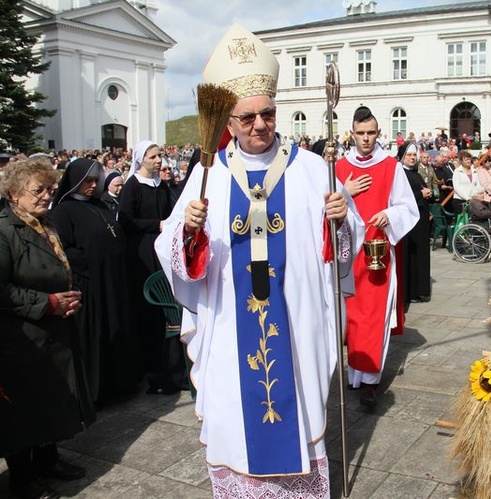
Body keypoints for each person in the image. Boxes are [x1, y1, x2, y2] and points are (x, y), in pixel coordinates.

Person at [154, 25, 363, 498]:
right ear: (227, 121)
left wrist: (341, 220)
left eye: (267, 114)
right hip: (231, 322)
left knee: (300, 409)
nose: (260, 125)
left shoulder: (312, 169)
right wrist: (188, 230)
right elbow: (173, 249)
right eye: (246, 118)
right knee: (235, 413)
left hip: (295, 317)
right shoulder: (208, 175)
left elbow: (342, 251)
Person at [0, 159, 95, 499]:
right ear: (14, 194)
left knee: (52, 399)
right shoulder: (4, 229)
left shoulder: (43, 221)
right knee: (25, 410)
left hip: (52, 331)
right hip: (21, 336)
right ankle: (23, 478)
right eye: (37, 190)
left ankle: (47, 459)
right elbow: (2, 290)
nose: (46, 196)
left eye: (50, 189)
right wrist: (49, 302)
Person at [337, 105, 418, 408]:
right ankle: (354, 374)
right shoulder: (339, 167)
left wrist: (388, 213)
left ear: (379, 133)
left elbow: (407, 207)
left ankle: (370, 380)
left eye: (371, 133)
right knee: (353, 318)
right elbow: (325, 208)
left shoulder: (390, 166)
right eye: (361, 133)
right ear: (352, 134)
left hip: (378, 250)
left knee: (373, 316)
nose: (366, 139)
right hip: (348, 253)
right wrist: (345, 192)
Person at [51, 159, 139, 406]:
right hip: (91, 286)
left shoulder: (99, 205)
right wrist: (92, 262)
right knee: (97, 335)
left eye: (95, 181)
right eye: (87, 181)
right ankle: (97, 392)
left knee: (117, 329)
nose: (92, 186)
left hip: (113, 282)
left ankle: (121, 384)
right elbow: (62, 250)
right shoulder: (63, 211)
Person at [119, 139, 178, 395]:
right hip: (143, 250)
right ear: (141, 159)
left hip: (161, 247)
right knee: (150, 311)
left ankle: (173, 367)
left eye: (160, 156)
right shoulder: (132, 186)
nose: (158, 161)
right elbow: (127, 220)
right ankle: (154, 371)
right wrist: (156, 225)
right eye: (153, 157)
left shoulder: (161, 185)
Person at [398, 142, 432, 305]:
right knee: (410, 258)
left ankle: (420, 291)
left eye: (414, 155)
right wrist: (420, 193)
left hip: (421, 222)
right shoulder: (400, 174)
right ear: (403, 157)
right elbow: (402, 196)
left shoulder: (415, 173)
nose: (412, 158)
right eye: (409, 155)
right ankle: (411, 292)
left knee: (420, 256)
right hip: (410, 224)